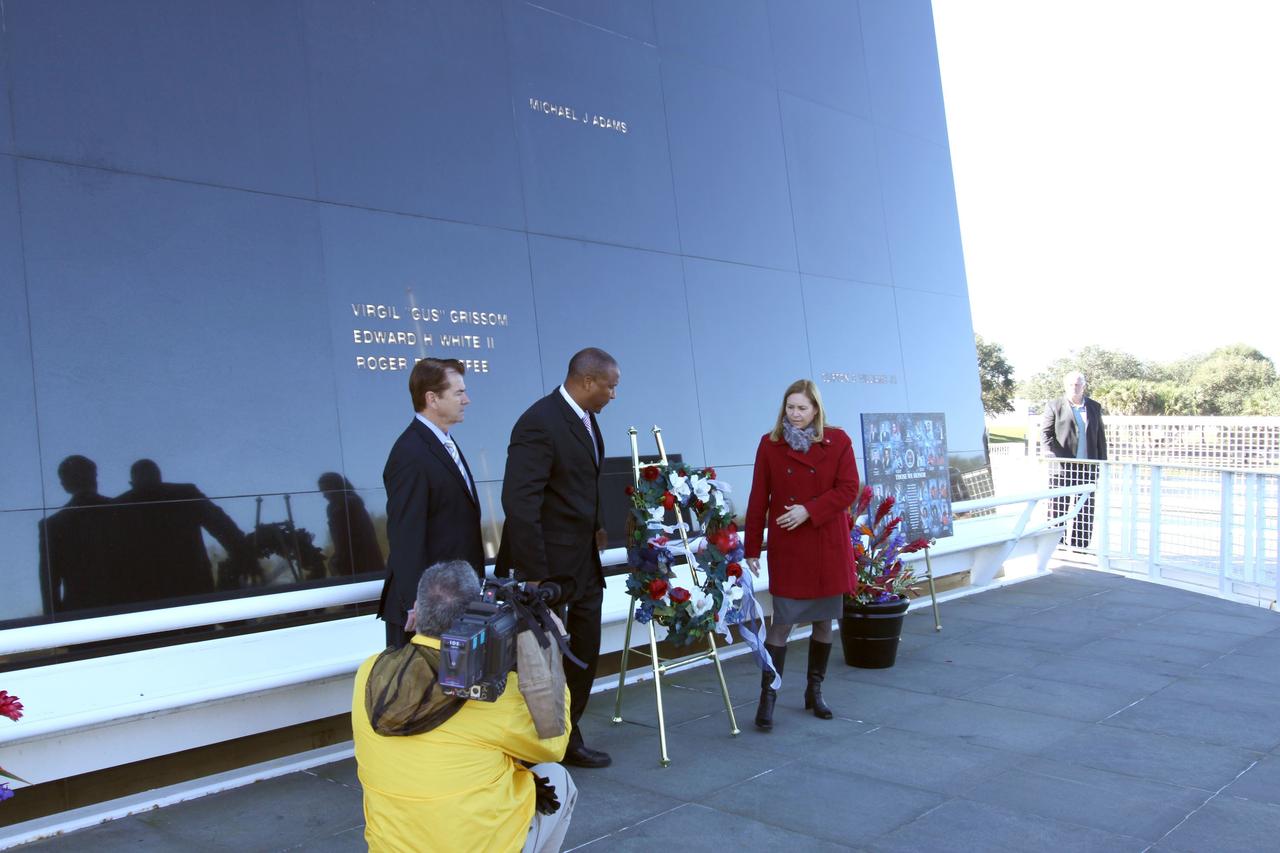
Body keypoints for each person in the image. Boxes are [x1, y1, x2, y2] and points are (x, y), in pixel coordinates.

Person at [353, 561, 575, 853]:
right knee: (559, 779)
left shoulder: (371, 672)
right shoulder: (491, 694)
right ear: (475, 615)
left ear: (416, 611)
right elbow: (554, 746)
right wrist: (550, 658)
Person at [497, 347, 620, 769]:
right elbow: (519, 501)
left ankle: (568, 733)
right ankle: (543, 746)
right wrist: (533, 575)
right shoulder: (539, 422)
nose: (613, 395)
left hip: (583, 564)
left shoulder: (589, 422)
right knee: (542, 661)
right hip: (548, 572)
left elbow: (583, 486)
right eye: (610, 386)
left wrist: (599, 527)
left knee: (585, 650)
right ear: (587, 381)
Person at [744, 379, 860, 731]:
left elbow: (849, 488)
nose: (795, 414)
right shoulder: (770, 444)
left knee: (824, 622)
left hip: (826, 543)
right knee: (782, 624)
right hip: (790, 545)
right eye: (790, 407)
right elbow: (758, 497)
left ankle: (815, 690)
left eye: (802, 408)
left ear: (816, 410)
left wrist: (809, 510)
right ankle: (769, 696)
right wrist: (751, 547)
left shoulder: (838, 441)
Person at [379, 358, 484, 649]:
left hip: (451, 603)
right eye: (458, 393)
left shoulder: (442, 443)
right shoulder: (410, 453)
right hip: (427, 613)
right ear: (432, 399)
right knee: (425, 694)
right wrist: (417, 603)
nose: (467, 400)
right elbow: (405, 534)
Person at [116, 458, 251, 602]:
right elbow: (223, 527)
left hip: (144, 597)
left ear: (132, 483)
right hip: (193, 589)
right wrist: (245, 557)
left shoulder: (118, 507)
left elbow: (223, 527)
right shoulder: (185, 493)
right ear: (159, 477)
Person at [38, 455, 121, 613]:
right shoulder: (121, 509)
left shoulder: (53, 525)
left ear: (65, 485)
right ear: (93, 477)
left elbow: (49, 585)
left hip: (79, 614)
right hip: (129, 607)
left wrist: (55, 624)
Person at [1041, 370, 1108, 548]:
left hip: (1088, 466)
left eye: (1078, 384)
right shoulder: (1054, 405)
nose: (1075, 387)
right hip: (1062, 467)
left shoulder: (1094, 407)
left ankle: (1080, 547)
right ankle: (1056, 544)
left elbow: (1100, 436)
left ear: (1083, 386)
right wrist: (1050, 453)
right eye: (1071, 384)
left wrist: (1102, 463)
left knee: (1085, 508)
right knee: (1058, 507)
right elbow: (1046, 433)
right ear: (1065, 386)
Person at [318, 473, 386, 578]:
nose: (324, 495)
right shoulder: (339, 506)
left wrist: (339, 559)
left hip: (361, 566)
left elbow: (347, 540)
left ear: (335, 487)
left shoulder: (347, 505)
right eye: (322, 492)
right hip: (357, 567)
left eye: (325, 490)